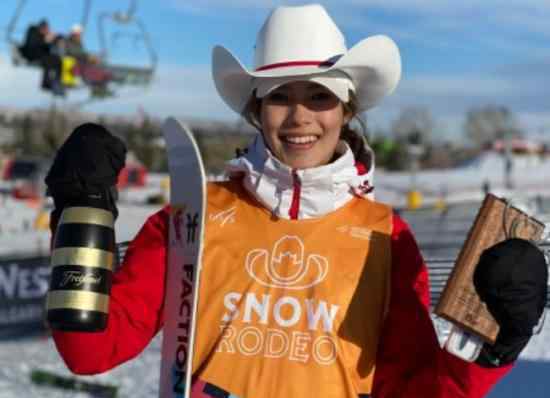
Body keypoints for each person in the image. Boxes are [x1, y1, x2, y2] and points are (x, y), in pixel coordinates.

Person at [45, 4, 547, 397]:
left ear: (345, 109)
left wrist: (496, 344)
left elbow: (412, 389)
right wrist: (79, 211)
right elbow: (91, 352)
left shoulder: (385, 237)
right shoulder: (193, 216)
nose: (300, 116)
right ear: (256, 108)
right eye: (281, 96)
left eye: (320, 96)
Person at [19, 19, 64, 96]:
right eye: (46, 29)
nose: (47, 31)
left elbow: (47, 46)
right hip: (31, 54)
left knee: (58, 60)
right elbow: (33, 45)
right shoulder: (33, 32)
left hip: (41, 55)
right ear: (41, 28)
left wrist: (56, 38)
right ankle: (45, 83)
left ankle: (57, 82)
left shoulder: (43, 35)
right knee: (49, 60)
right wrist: (45, 40)